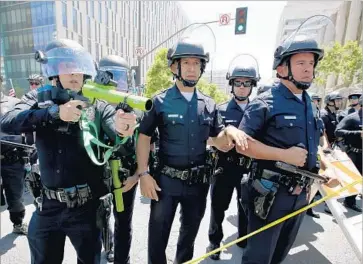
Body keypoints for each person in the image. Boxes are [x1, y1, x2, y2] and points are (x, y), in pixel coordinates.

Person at [135, 27, 308, 264]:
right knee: (158, 235)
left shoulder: (208, 104)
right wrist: (143, 173)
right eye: (186, 63)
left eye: (197, 64)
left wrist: (231, 132)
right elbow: (143, 136)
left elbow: (218, 141)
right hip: (166, 180)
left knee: (189, 235)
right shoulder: (160, 101)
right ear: (175, 67)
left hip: (198, 183)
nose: (192, 68)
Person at [1, 39, 137, 264]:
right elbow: (7, 121)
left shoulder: (97, 102)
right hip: (47, 205)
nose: (74, 73)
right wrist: (54, 114)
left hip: (86, 208)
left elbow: (119, 139)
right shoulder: (39, 98)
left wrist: (124, 130)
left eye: (79, 67)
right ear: (54, 70)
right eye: (66, 66)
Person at [224, 16, 340, 264]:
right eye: (300, 63)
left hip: (301, 193)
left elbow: (313, 146)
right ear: (281, 69)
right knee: (259, 257)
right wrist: (283, 155)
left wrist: (325, 169)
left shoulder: (308, 102)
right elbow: (243, 145)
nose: (309, 68)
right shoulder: (266, 101)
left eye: (311, 62)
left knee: (280, 255)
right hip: (270, 193)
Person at [98, 54, 158, 264]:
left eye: (120, 78)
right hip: (97, 180)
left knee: (123, 222)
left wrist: (135, 176)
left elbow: (149, 147)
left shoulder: (139, 112)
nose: (114, 84)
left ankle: (122, 260)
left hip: (126, 179)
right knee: (98, 222)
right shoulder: (93, 110)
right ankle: (108, 247)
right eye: (108, 77)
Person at [206, 54, 260, 260]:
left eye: (247, 83)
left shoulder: (259, 109)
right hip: (224, 166)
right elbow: (208, 139)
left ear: (252, 86)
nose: (242, 87)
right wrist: (219, 143)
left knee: (246, 205)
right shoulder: (220, 110)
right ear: (232, 84)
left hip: (249, 167)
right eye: (238, 83)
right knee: (218, 206)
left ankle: (244, 238)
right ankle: (214, 242)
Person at [0, 75, 28, 235]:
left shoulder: (14, 104)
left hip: (12, 158)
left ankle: (18, 223)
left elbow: (25, 129)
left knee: (16, 197)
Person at [335, 96, 363, 213]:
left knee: (357, 179)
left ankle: (350, 201)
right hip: (352, 153)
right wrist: (357, 133)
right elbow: (338, 131)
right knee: (344, 178)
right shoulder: (352, 118)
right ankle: (331, 203)